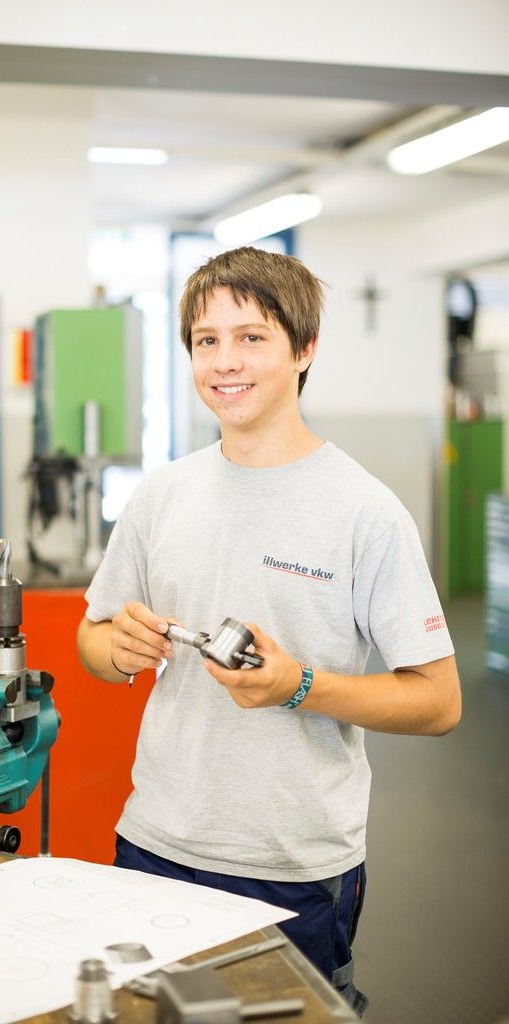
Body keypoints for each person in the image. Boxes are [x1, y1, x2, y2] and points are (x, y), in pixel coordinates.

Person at [77, 246, 461, 1015]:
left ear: (303, 350)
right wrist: (114, 649)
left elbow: (439, 701)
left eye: (251, 337)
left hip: (292, 867)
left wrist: (301, 686)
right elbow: (93, 636)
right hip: (153, 841)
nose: (226, 362)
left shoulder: (363, 510)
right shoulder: (162, 495)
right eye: (206, 340)